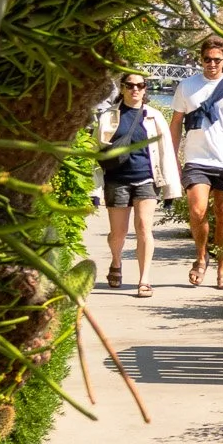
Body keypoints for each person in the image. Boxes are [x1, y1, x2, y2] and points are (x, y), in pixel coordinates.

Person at [172, 36, 223, 289]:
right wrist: (173, 158)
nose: (211, 64)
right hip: (196, 159)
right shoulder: (186, 86)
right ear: (201, 59)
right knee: (197, 210)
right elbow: (175, 124)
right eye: (207, 59)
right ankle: (200, 257)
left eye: (216, 60)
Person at [93, 73, 181, 296]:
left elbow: (166, 153)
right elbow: (97, 156)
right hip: (117, 180)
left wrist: (170, 188)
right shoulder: (108, 117)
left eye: (140, 86)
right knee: (118, 233)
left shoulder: (154, 117)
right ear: (122, 88)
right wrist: (94, 190)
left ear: (145, 89)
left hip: (146, 179)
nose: (135, 89)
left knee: (144, 228)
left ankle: (144, 280)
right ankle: (116, 262)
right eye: (130, 85)